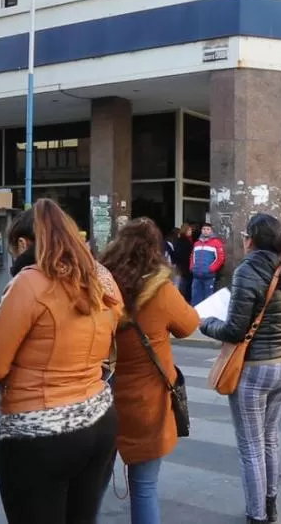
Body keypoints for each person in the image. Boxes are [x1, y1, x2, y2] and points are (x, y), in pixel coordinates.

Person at [0, 199, 122, 524]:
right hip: (99, 419)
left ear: (24, 243)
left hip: (41, 433)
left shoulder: (30, 281)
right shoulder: (102, 278)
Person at [199, 214, 281, 524]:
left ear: (252, 239)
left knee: (251, 445)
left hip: (256, 367)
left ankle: (256, 515)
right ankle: (270, 504)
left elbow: (234, 330)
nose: (243, 239)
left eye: (246, 234)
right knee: (270, 437)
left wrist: (205, 323)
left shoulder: (249, 269)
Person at [100, 218, 200, 524]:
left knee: (90, 489)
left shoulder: (99, 287)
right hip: (147, 404)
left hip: (98, 399)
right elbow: (189, 325)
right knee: (144, 488)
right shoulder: (161, 290)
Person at [190, 223, 225, 305]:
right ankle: (196, 316)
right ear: (201, 230)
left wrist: (210, 269)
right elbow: (192, 256)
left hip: (209, 276)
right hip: (196, 276)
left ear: (211, 231)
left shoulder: (216, 243)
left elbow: (220, 259)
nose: (205, 231)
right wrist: (192, 267)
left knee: (208, 300)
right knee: (195, 299)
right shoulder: (196, 243)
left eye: (208, 229)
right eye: (204, 229)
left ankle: (206, 317)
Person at [171, 224, 194, 302]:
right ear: (186, 231)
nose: (191, 232)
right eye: (190, 230)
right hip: (185, 267)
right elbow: (183, 255)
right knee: (184, 286)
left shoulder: (181, 240)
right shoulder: (185, 241)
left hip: (182, 267)